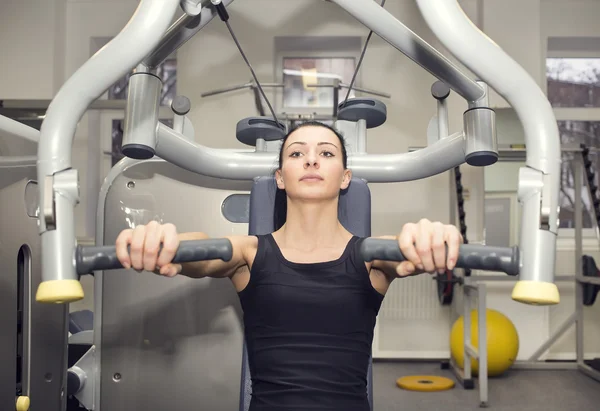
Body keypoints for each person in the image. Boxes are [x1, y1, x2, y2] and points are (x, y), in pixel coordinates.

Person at [115, 121, 463, 411]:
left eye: (326, 153)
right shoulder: (250, 253)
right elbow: (202, 252)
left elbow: (410, 245)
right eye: (297, 153)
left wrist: (431, 235)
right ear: (280, 178)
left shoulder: (371, 255)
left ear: (345, 177)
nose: (311, 160)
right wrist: (166, 241)